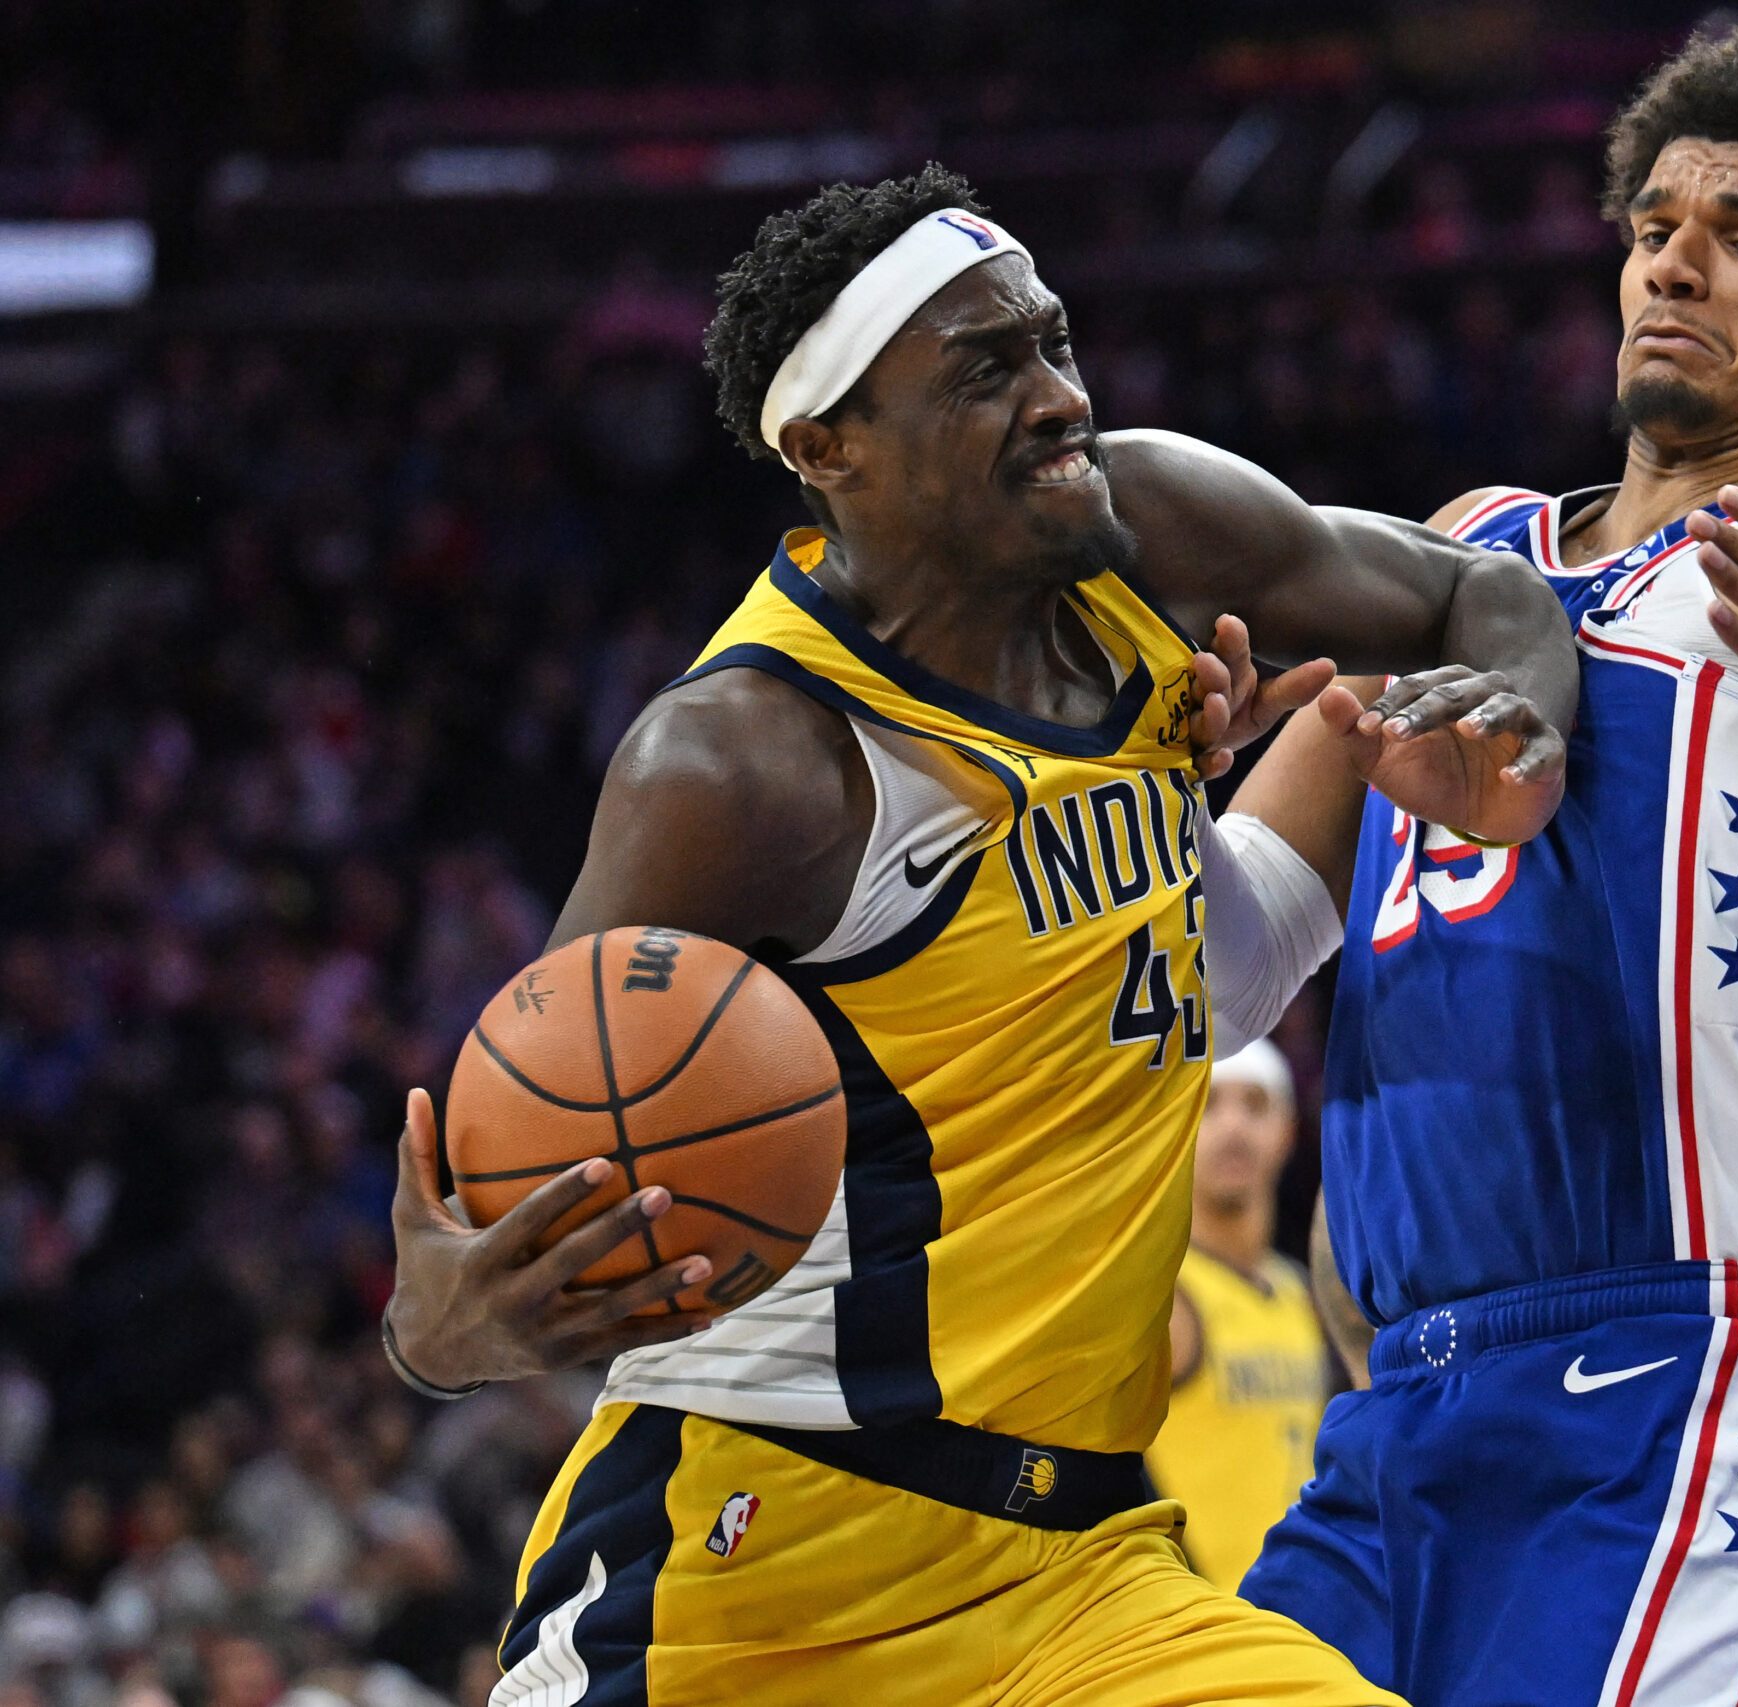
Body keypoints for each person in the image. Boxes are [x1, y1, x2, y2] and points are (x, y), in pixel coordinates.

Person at [378, 164, 1581, 1706]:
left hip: (1083, 1570)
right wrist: (440, 1329)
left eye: (1056, 344)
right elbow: (523, 1168)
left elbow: (1491, 599)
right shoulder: (746, 763)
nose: (1059, 397)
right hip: (758, 1566)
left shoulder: (1151, 540)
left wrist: (1512, 734)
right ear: (831, 448)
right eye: (986, 369)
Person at [1188, 17, 1738, 1706]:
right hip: (1395, 1420)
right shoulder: (1462, 547)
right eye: (1657, 228)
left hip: (1678, 1355)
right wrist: (1158, 786)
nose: (1676, 266)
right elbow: (1224, 975)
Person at [1147, 1040, 1333, 1594]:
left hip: (1302, 1623)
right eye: (1209, 1105)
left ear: (1287, 1132)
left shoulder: (1303, 1292)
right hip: (1200, 1628)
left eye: (1255, 1105)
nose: (1233, 1127)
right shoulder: (1159, 1293)